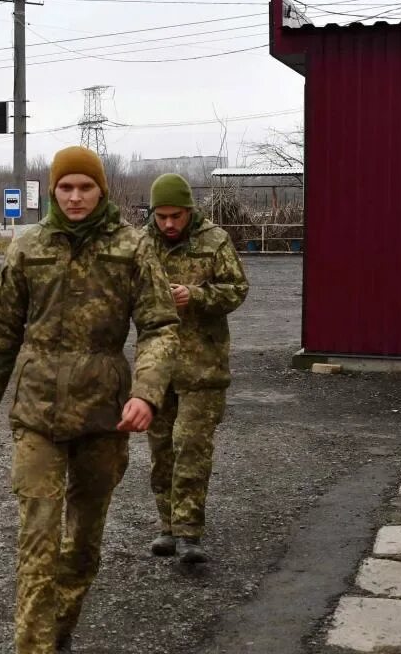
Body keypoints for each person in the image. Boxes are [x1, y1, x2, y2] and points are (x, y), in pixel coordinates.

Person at [0, 145, 180, 654]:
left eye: (86, 187)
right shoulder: (28, 248)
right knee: (38, 538)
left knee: (82, 545)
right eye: (66, 187)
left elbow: (160, 327)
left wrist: (146, 393)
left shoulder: (132, 248)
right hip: (37, 411)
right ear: (54, 191)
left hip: (104, 416)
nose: (76, 196)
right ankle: (34, 647)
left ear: (101, 190)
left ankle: (56, 632)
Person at [143, 173, 249, 565]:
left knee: (191, 447)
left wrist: (197, 296)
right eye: (162, 216)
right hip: (157, 367)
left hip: (203, 367)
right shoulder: (141, 244)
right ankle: (167, 527)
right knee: (161, 449)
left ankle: (189, 533)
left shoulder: (215, 241)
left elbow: (237, 289)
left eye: (176, 216)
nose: (169, 224)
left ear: (189, 211)